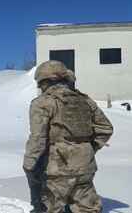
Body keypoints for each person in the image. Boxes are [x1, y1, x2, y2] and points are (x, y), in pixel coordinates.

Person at [23, 60, 113, 213]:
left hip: (57, 168)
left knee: (51, 208)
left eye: (41, 83)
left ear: (46, 81)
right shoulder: (85, 101)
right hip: (85, 165)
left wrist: (29, 164)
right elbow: (106, 128)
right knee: (87, 208)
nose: (40, 87)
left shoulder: (43, 103)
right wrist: (88, 148)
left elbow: (38, 139)